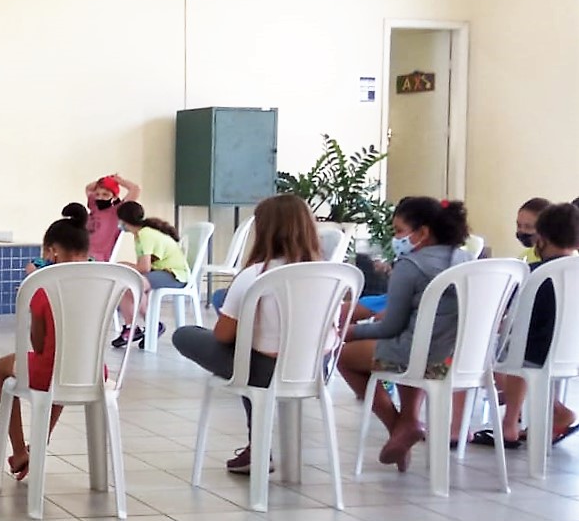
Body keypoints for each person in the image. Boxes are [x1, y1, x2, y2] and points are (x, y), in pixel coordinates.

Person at [172, 194, 323, 475]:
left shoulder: (255, 274)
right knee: (246, 355)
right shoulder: (330, 274)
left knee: (186, 335)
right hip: (316, 370)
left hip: (264, 371)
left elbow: (223, 336)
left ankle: (259, 449)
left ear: (264, 231)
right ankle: (257, 449)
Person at [337, 196, 473, 470]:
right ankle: (408, 421)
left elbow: (391, 327)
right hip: (464, 358)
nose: (396, 238)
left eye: (399, 231)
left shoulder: (410, 266)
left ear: (422, 232)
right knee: (404, 345)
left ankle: (397, 424)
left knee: (344, 355)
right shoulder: (467, 259)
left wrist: (349, 332)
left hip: (424, 358)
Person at [476, 201, 579, 449]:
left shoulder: (532, 273)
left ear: (540, 238)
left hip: (535, 354)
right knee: (521, 350)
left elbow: (510, 314)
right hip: (572, 354)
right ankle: (550, 412)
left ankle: (510, 422)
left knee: (501, 356)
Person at [0, 218, 91, 480]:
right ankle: (38, 444)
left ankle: (19, 450)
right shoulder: (101, 280)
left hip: (52, 370)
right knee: (64, 370)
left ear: (52, 251)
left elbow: (38, 347)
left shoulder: (44, 284)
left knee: (3, 367)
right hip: (93, 372)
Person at [112, 201, 189, 348]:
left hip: (174, 274)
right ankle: (140, 326)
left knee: (131, 285)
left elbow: (144, 267)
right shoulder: (141, 234)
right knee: (128, 283)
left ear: (123, 220)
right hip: (161, 272)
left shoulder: (145, 235)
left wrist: (122, 265)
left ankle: (143, 326)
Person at [85, 173, 139, 263]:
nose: (100, 197)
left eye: (105, 195)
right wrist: (105, 180)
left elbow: (135, 189)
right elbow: (89, 188)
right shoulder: (94, 206)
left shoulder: (117, 211)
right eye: (97, 194)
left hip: (99, 259)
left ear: (114, 197)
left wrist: (118, 181)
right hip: (82, 254)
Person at [515, 197, 550, 264]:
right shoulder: (523, 258)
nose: (522, 231)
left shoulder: (568, 257)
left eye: (528, 227)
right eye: (519, 225)